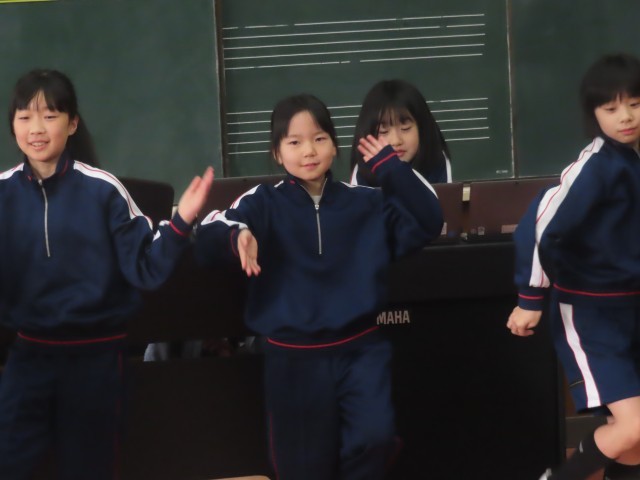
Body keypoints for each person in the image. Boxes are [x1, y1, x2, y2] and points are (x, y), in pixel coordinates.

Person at [195, 93, 443, 479]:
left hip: (360, 350)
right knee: (302, 465)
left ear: (334, 145)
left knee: (375, 438)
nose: (309, 151)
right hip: (293, 358)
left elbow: (428, 219)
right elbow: (209, 230)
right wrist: (238, 235)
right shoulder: (263, 202)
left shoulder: (366, 203)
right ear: (277, 153)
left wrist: (391, 169)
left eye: (319, 138)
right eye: (294, 142)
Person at [0, 68, 213, 479]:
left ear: (72, 123)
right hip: (29, 355)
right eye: (25, 117)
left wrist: (182, 219)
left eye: (50, 116)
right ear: (13, 126)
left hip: (95, 357)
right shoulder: (3, 193)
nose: (36, 129)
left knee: (90, 466)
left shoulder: (103, 190)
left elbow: (146, 266)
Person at [506, 53, 640, 480]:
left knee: (632, 443)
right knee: (634, 427)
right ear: (593, 114)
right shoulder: (597, 167)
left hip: (631, 307)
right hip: (591, 313)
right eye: (611, 108)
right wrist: (530, 297)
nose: (626, 117)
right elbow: (540, 226)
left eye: (635, 103)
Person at [350, 79, 452, 186]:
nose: (396, 141)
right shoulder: (362, 172)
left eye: (405, 128)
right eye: (383, 131)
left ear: (422, 127)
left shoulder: (436, 161)